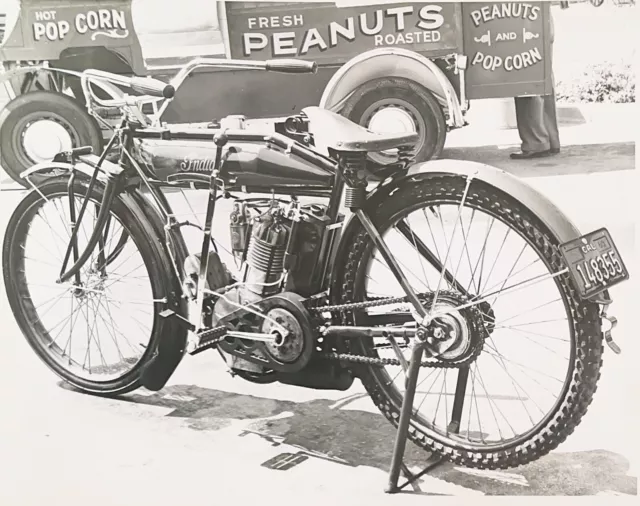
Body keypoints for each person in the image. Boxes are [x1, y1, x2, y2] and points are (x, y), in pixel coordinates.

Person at [510, 3, 567, 159]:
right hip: (540, 17)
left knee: (528, 80)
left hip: (526, 19)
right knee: (543, 78)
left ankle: (536, 143)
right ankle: (549, 140)